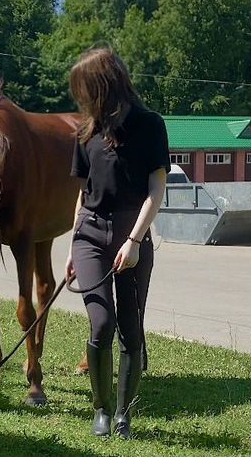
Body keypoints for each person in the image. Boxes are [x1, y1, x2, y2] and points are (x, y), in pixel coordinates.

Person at [64, 47, 170, 438]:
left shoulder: (150, 125)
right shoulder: (85, 131)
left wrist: (135, 240)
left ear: (105, 84)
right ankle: (101, 410)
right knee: (101, 322)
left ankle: (123, 414)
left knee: (130, 329)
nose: (82, 98)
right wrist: (73, 245)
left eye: (85, 89)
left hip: (133, 237)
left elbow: (156, 189)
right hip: (90, 234)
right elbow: (83, 192)